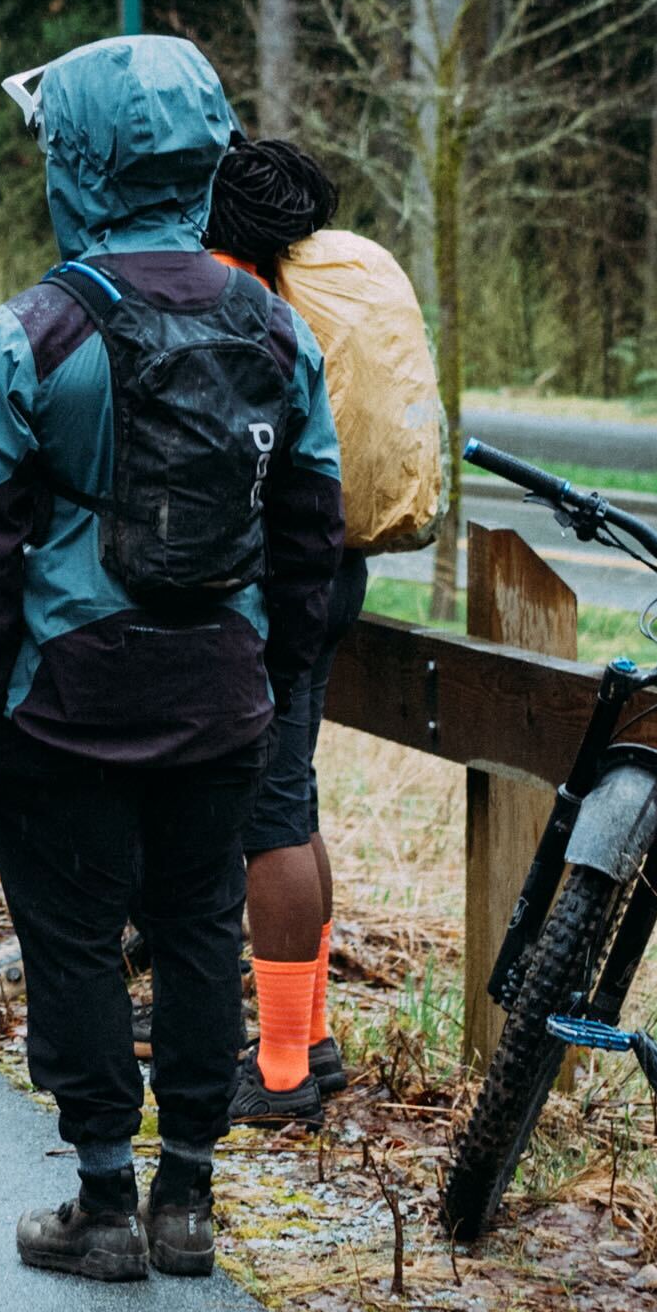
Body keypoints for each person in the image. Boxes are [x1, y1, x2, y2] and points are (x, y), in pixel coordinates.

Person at [0, 36, 341, 1284]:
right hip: (220, 693)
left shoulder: (35, 332)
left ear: (76, 159)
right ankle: (192, 1201)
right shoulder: (276, 329)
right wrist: (267, 670)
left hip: (65, 700)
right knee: (197, 928)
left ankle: (102, 1201)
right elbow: (311, 533)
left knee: (72, 939)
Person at [203, 137, 378, 1124]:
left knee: (268, 814)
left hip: (273, 581)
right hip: (328, 570)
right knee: (292, 801)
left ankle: (277, 1074)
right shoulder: (300, 297)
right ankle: (305, 1033)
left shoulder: (240, 312)